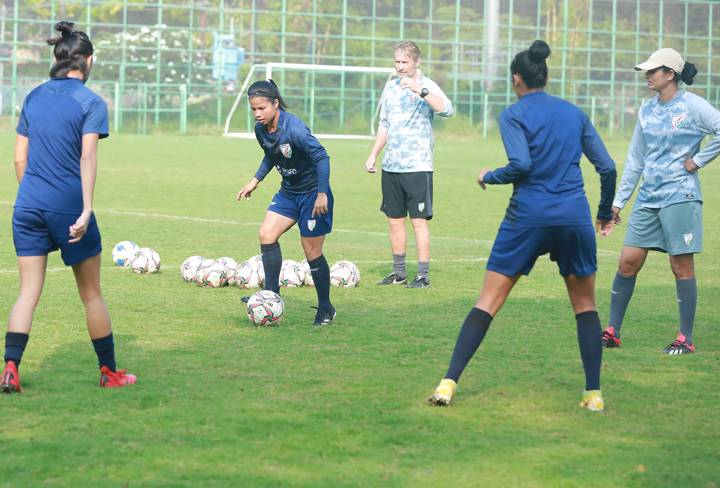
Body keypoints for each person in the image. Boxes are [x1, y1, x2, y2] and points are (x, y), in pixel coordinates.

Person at [428, 40, 616, 412]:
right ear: (544, 76)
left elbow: (521, 165)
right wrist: (604, 212)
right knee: (585, 306)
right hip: (573, 216)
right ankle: (593, 394)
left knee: (488, 301)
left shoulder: (512, 114)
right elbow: (608, 167)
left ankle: (448, 383)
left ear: (517, 80)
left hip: (528, 217)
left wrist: (489, 175)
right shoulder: (574, 113)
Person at [1, 21, 137, 394]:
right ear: (87, 61)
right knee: (91, 293)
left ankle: (10, 368)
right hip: (68, 207)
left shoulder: (33, 97)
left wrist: (34, 195)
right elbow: (88, 155)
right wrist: (86, 209)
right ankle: (109, 373)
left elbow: (18, 159)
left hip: (27, 205)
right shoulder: (90, 102)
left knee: (28, 291)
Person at [601, 48, 720, 355]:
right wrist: (617, 203)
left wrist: (698, 161)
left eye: (653, 71)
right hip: (647, 198)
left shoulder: (693, 105)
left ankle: (686, 338)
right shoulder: (646, 110)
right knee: (627, 262)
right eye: (647, 71)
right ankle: (612, 331)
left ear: (671, 74)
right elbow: (636, 159)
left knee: (680, 267)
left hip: (680, 196)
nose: (648, 75)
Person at [237, 80, 336, 326]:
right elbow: (272, 155)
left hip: (313, 195)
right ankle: (271, 297)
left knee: (311, 251)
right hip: (289, 192)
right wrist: (255, 180)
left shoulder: (295, 129)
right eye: (253, 109)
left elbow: (322, 157)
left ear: (275, 104)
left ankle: (326, 308)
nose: (257, 114)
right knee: (266, 234)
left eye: (262, 108)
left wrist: (322, 193)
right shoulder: (261, 130)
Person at [364, 40, 454, 289]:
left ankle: (422, 275)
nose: (400, 66)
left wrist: (420, 91)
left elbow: (448, 109)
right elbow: (385, 124)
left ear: (416, 62)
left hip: (417, 165)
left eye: (405, 62)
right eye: (397, 61)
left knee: (418, 222)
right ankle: (399, 273)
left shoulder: (427, 85)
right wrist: (374, 154)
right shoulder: (391, 87)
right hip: (392, 165)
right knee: (394, 221)